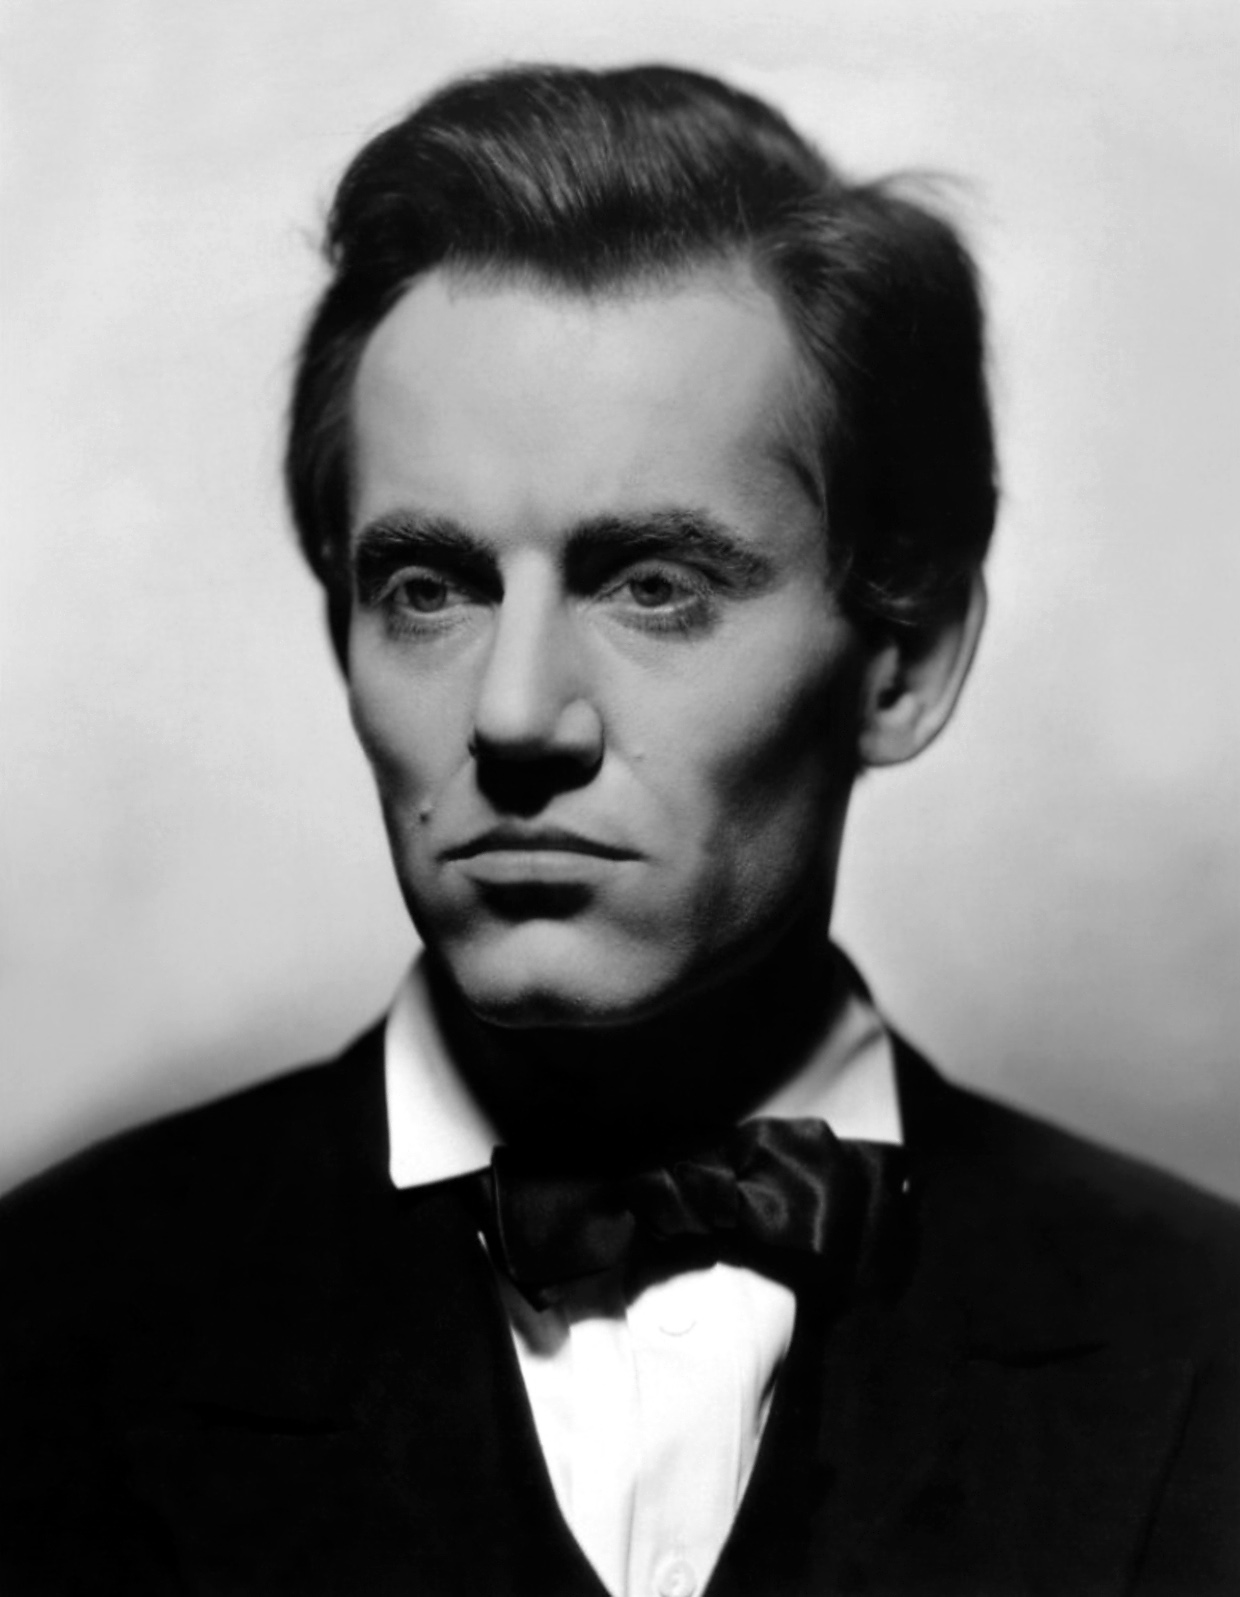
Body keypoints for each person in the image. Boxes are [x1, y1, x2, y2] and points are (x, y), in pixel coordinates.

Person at [0, 62, 1236, 1597]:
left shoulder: (1207, 1345)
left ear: (906, 661)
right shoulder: (40, 1324)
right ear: (343, 636)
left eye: (655, 585)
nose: (517, 714)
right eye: (428, 589)